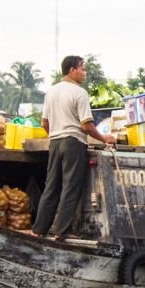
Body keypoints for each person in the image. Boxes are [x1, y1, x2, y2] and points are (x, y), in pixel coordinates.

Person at [32, 55, 116, 240]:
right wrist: (104, 138)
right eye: (82, 69)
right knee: (70, 187)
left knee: (51, 186)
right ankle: (61, 231)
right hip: (73, 143)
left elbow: (44, 123)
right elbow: (86, 125)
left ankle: (39, 230)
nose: (84, 73)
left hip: (55, 142)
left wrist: (57, 133)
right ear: (72, 70)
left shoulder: (51, 92)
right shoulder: (79, 93)